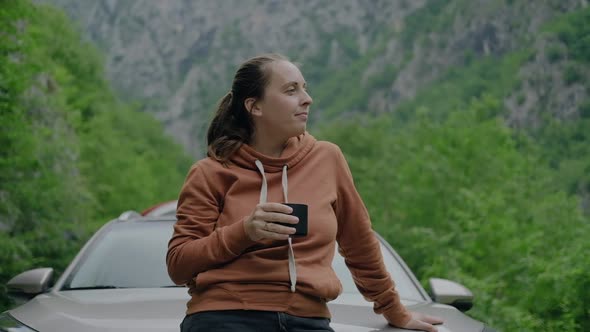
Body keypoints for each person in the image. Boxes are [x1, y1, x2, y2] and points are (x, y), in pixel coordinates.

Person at [166, 53, 443, 332]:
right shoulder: (209, 172)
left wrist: (394, 310)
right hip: (224, 317)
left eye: (304, 88)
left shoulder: (327, 158)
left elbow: (359, 243)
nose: (307, 98)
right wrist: (244, 232)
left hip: (308, 320)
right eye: (291, 90)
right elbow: (178, 264)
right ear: (255, 106)